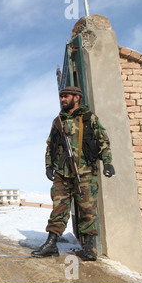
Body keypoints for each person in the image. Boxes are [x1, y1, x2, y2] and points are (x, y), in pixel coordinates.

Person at [31, 86, 115, 261]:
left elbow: (102, 140)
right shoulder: (58, 121)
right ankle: (51, 244)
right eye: (61, 97)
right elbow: (50, 145)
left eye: (66, 96)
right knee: (58, 208)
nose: (62, 99)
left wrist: (107, 162)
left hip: (85, 171)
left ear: (77, 97)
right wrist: (49, 165)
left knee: (87, 208)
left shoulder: (89, 118)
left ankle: (88, 247)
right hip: (62, 173)